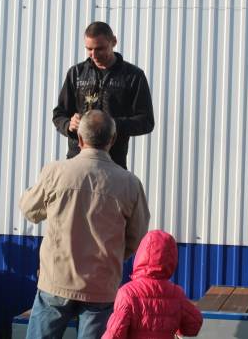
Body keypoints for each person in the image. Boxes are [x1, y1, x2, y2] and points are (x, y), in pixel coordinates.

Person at [20, 110, 150, 338]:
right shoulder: (130, 183)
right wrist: (113, 257)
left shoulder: (55, 172)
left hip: (56, 280)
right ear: (112, 140)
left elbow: (30, 211)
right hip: (101, 286)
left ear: (79, 139)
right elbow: (137, 237)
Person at [53, 21, 154, 170]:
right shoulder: (76, 73)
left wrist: (110, 124)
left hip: (114, 162)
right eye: (89, 49)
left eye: (99, 49)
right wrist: (69, 125)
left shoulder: (133, 76)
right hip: (77, 160)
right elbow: (59, 114)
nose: (93, 55)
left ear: (114, 41)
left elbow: (146, 121)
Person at [101, 230, 203, 339]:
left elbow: (114, 334)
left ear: (141, 254)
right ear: (172, 259)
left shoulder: (127, 293)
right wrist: (177, 325)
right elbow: (194, 325)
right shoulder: (176, 294)